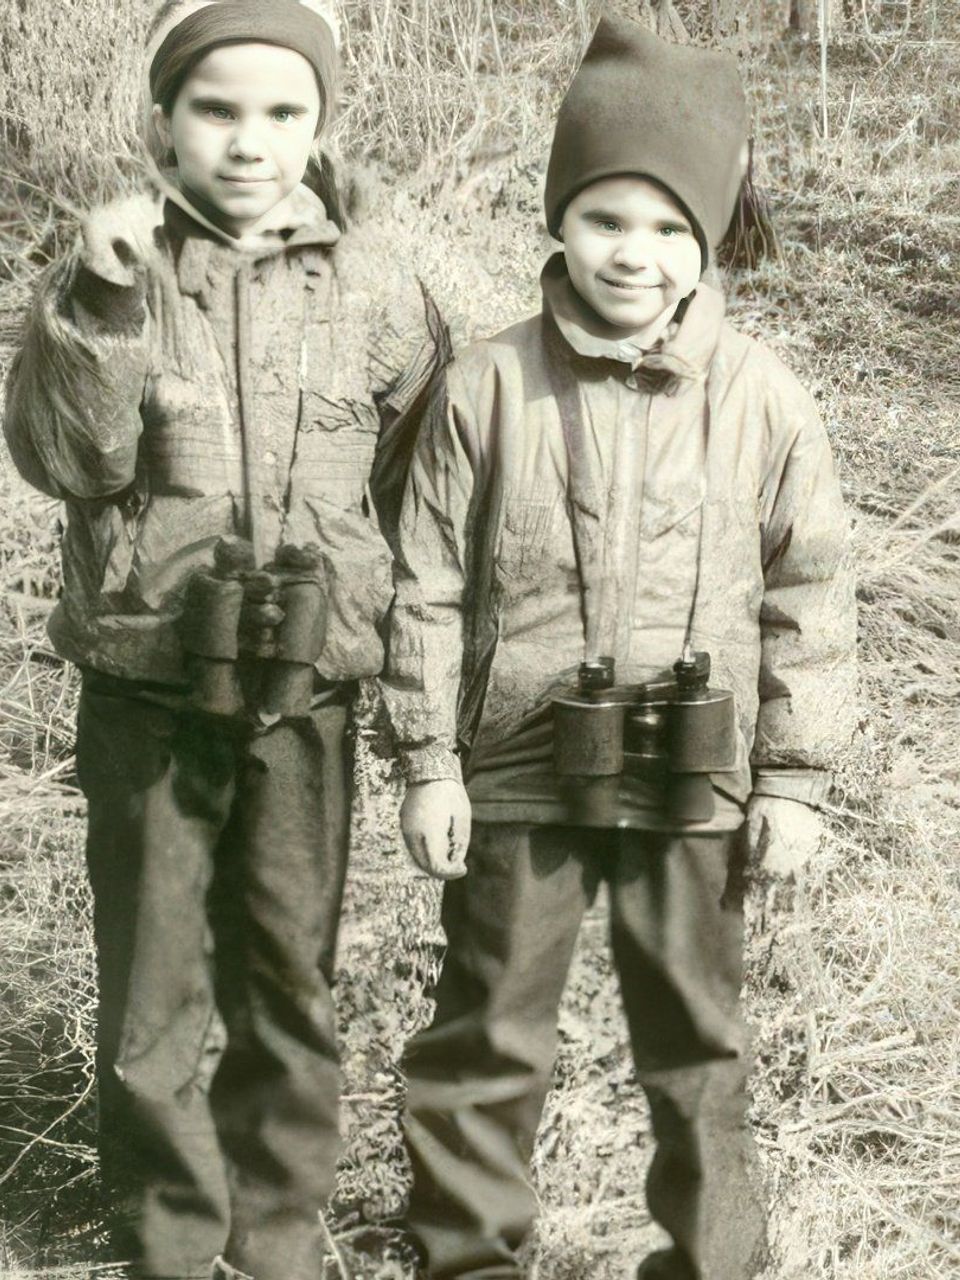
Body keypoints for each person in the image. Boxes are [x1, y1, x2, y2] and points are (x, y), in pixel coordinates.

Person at [379, 17, 857, 1280]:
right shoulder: (486, 387)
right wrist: (428, 760)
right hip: (518, 769)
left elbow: (811, 595)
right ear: (559, 219)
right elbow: (423, 584)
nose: (632, 253)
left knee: (698, 1041)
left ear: (712, 237)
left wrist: (795, 778)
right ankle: (467, 1256)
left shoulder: (765, 398)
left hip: (692, 776)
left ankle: (712, 1260)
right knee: (486, 1030)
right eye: (603, 217)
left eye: (666, 226)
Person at [3, 3, 444, 1278]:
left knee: (289, 970)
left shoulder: (381, 290)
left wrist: (370, 622)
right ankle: (170, 1235)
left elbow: (419, 487)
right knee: (152, 986)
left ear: (322, 125)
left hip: (308, 698)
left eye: (283, 112)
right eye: (216, 110)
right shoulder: (112, 276)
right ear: (162, 125)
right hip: (149, 688)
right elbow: (67, 459)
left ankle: (277, 1230)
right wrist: (100, 298)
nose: (250, 142)